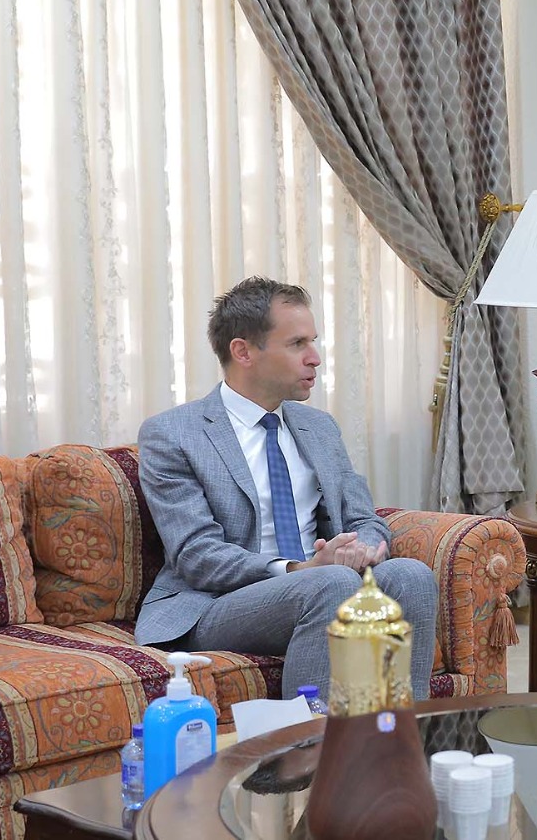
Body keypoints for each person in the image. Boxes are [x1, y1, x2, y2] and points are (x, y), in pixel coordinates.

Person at [134, 277, 437, 701]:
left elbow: (363, 519)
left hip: (323, 583)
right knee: (331, 583)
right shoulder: (174, 434)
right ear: (243, 352)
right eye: (297, 344)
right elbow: (197, 556)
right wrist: (300, 569)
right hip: (216, 603)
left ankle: (407, 731)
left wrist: (362, 549)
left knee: (411, 575)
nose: (315, 358)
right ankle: (309, 741)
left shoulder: (319, 427)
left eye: (313, 342)